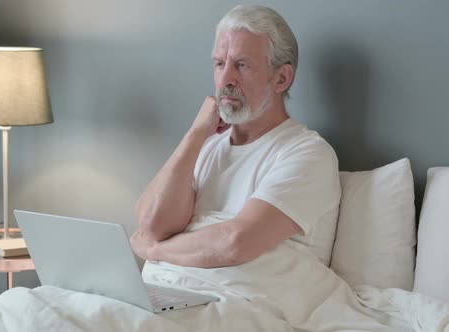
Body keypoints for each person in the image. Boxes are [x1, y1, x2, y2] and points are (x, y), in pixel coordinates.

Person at [130, 4, 341, 268]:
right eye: (219, 64)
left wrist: (155, 251)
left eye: (242, 65)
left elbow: (235, 243)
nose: (225, 78)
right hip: (169, 295)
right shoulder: (207, 146)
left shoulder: (307, 153)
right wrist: (195, 135)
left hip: (243, 302)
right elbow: (152, 226)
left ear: (282, 78)